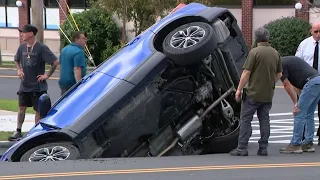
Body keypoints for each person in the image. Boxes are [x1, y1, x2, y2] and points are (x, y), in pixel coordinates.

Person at [229, 27, 282, 156]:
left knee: (246, 119)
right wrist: (270, 82)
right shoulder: (275, 53)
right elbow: (279, 74)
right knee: (264, 120)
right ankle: (263, 148)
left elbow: (246, 72)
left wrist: (239, 89)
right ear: (267, 38)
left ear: (256, 38)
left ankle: (242, 147)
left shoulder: (254, 52)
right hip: (267, 94)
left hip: (253, 93)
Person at [8, 24, 59, 141]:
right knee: (21, 107)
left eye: (23, 32)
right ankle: (18, 131)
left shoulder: (41, 48)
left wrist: (47, 75)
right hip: (24, 85)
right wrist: (19, 69)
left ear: (31, 33)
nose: (21, 35)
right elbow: (16, 59)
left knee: (38, 110)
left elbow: (55, 62)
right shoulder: (21, 48)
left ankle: (36, 132)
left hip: (38, 86)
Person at [279, 56, 320, 154]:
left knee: (298, 113)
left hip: (311, 83)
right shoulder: (289, 61)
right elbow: (298, 84)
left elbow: (287, 85)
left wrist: (295, 104)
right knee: (309, 114)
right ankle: (308, 143)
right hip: (317, 80)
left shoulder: (280, 65)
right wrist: (299, 100)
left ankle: (295, 144)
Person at [295, 22, 320, 145]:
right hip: (308, 82)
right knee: (305, 111)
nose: (318, 34)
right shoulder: (305, 44)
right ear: (311, 31)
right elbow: (298, 62)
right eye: (316, 32)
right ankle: (305, 137)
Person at [58, 31, 87, 96]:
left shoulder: (64, 49)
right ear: (76, 39)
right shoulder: (78, 52)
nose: (85, 40)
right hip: (73, 84)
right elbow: (77, 69)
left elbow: (60, 65)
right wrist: (79, 85)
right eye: (83, 38)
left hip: (63, 83)